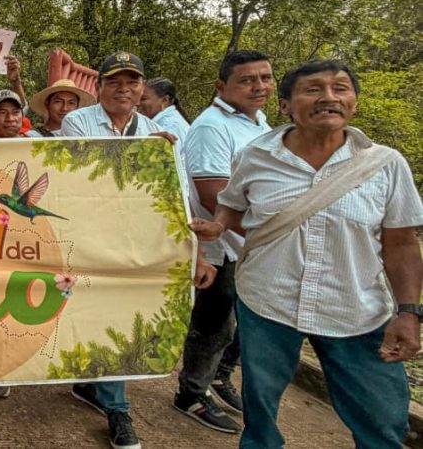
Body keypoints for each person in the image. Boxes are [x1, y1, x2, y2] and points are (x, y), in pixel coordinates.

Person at [191, 59, 423, 449]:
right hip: (268, 304)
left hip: (354, 309)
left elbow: (401, 243)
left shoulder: (385, 165)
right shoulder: (256, 156)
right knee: (260, 411)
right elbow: (231, 202)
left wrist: (409, 312)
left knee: (381, 421)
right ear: (285, 105)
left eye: (340, 88)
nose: (328, 97)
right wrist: (219, 226)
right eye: (313, 89)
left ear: (354, 101)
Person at [60, 51, 205, 449]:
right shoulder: (78, 121)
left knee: (120, 316)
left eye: (132, 82)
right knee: (82, 310)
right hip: (87, 236)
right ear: (100, 86)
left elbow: (176, 193)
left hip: (133, 241)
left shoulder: (160, 134)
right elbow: (84, 173)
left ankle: (117, 409)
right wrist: (141, 154)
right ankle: (91, 386)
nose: (124, 89)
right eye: (114, 81)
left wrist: (198, 249)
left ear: (142, 88)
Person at [172, 50, 273, 431]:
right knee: (214, 323)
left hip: (247, 241)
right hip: (219, 243)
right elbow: (214, 194)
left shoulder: (259, 122)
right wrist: (269, 233)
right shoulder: (213, 127)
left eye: (265, 78)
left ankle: (214, 379)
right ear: (221, 86)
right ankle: (191, 394)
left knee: (233, 324)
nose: (259, 86)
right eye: (247, 80)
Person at [28, 78, 95, 136]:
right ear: (47, 104)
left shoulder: (85, 135)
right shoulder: (33, 136)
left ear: (77, 107)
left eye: (71, 103)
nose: (64, 108)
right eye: (58, 102)